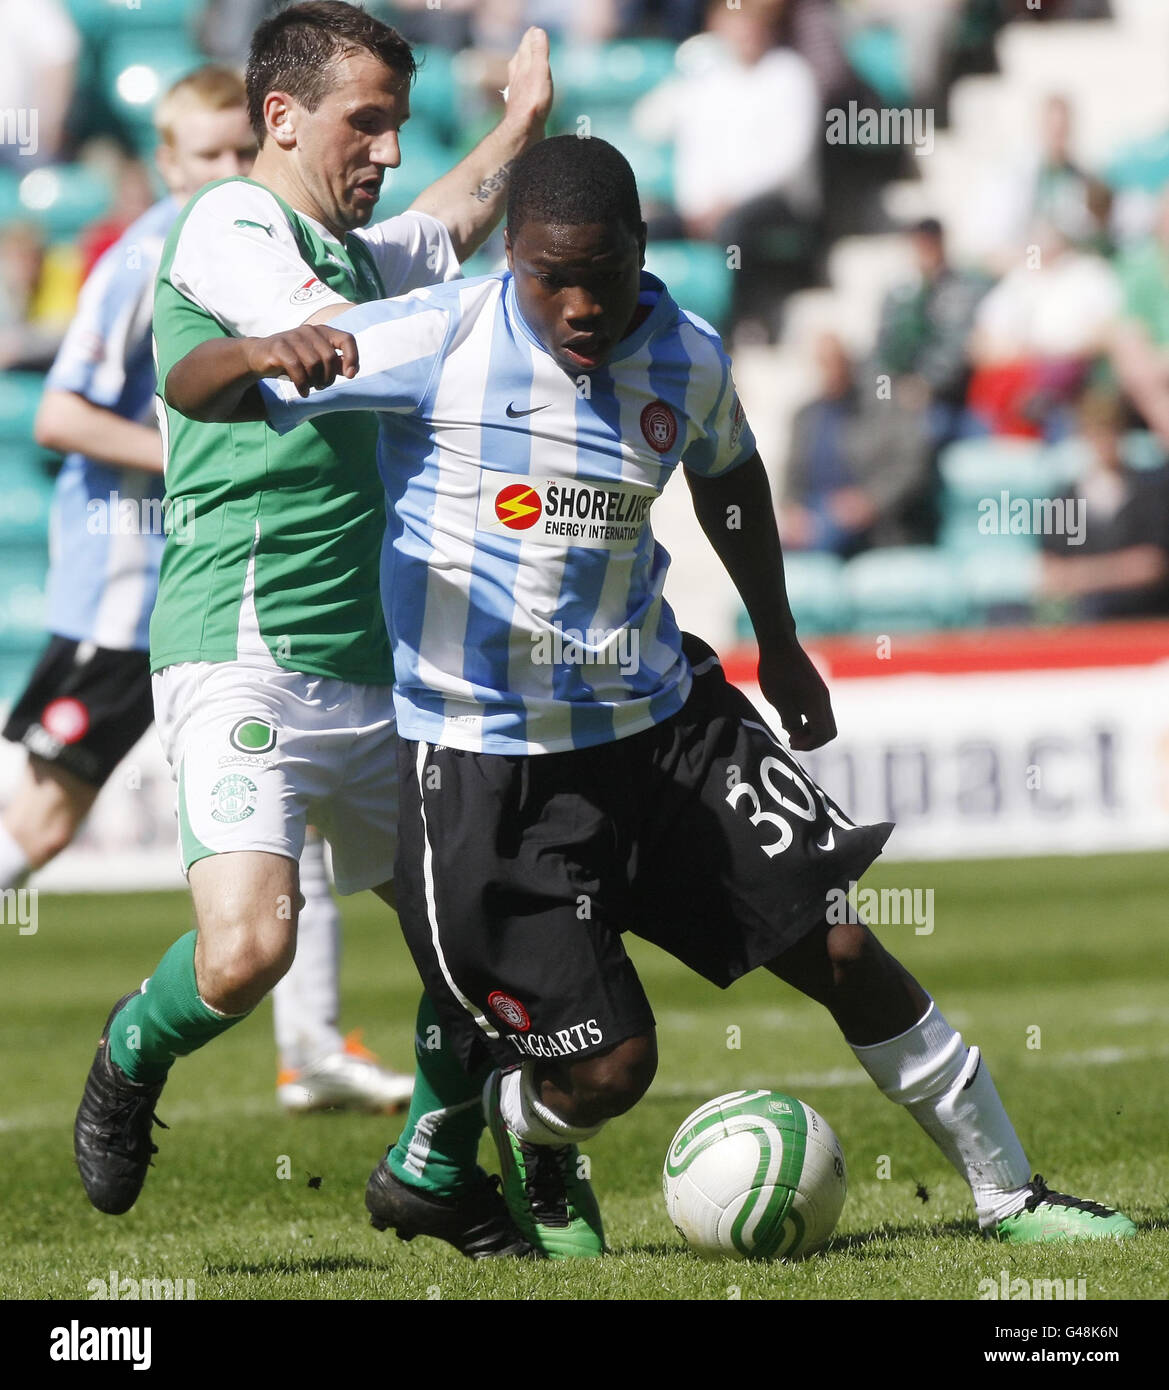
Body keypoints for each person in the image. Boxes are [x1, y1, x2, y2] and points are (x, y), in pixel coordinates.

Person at [170, 134, 1137, 1249]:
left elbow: (728, 473)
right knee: (611, 1070)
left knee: (837, 942)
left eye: (603, 272)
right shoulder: (432, 335)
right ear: (511, 260)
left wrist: (778, 644)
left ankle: (1008, 1192)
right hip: (491, 766)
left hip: (665, 722)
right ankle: (513, 1129)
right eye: (548, 275)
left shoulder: (685, 351)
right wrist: (253, 350)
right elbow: (193, 392)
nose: (579, 304)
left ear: (642, 248)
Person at [73, 2, 558, 1257]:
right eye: (366, 122)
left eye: (396, 123)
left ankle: (438, 1166)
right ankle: (132, 1050)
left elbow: (437, 233)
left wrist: (518, 127)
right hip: (245, 649)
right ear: (277, 118)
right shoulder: (233, 221)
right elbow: (355, 333)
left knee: (476, 944)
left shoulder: (358, 251)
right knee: (244, 956)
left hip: (387, 675)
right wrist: (479, 326)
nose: (386, 149)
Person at [0, 65, 413, 1114]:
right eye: (207, 157)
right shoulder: (151, 254)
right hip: (135, 591)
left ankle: (310, 1047)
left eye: (240, 153)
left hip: (256, 603)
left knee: (296, 835)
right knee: (44, 820)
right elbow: (58, 416)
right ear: (166, 163)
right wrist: (188, 445)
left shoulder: (297, 246)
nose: (229, 173)